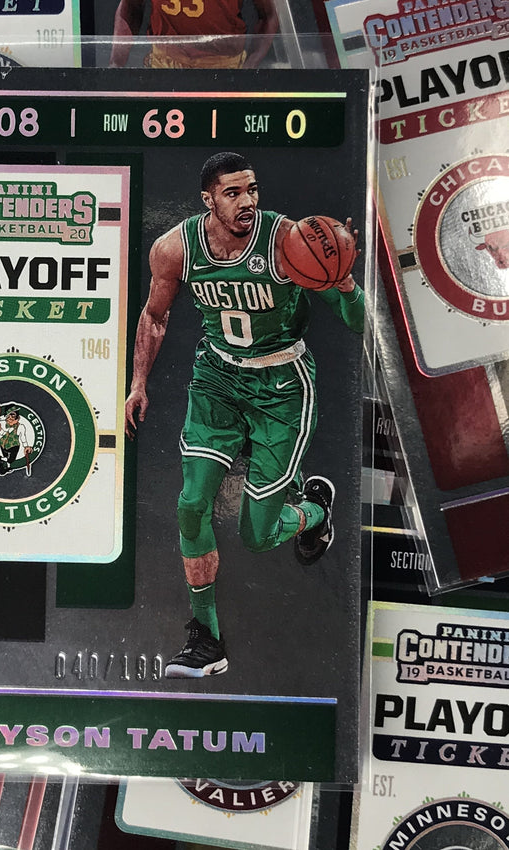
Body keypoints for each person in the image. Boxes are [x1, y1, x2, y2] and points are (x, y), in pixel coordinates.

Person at [124, 151, 364, 679]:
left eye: (252, 189)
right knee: (191, 505)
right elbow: (155, 315)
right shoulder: (174, 248)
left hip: (282, 385)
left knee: (257, 536)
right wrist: (138, 383)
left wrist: (345, 282)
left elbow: (360, 324)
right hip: (218, 378)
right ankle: (206, 638)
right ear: (208, 200)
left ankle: (315, 511)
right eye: (233, 193)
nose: (248, 201)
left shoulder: (288, 241)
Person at [109, 0, 278, 69]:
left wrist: (250, 67)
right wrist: (116, 64)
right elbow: (130, 8)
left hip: (224, 66)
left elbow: (269, 16)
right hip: (165, 63)